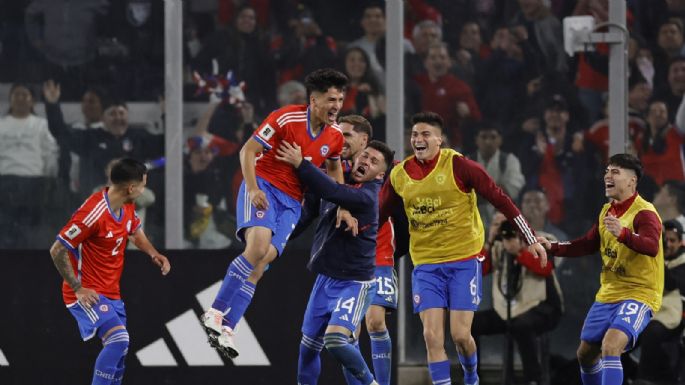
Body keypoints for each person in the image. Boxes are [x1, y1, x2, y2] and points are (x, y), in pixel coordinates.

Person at [378, 111, 546, 385]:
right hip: (426, 265)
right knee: (431, 336)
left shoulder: (459, 166)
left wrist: (531, 238)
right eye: (414, 135)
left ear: (439, 140)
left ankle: (471, 377)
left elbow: (501, 199)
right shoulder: (399, 175)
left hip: (463, 262)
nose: (418, 140)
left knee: (460, 336)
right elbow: (378, 216)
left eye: (425, 134)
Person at [201, 68, 348, 359]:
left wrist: (343, 202)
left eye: (341, 100)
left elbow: (334, 168)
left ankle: (227, 328)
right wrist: (254, 189)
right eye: (331, 99)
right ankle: (214, 313)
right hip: (265, 187)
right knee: (256, 248)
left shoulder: (336, 136)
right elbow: (247, 151)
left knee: (261, 263)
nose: (337, 106)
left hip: (293, 202)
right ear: (314, 100)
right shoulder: (286, 118)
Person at [538, 153, 664, 385]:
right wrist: (553, 247)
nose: (608, 175)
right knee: (585, 355)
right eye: (607, 171)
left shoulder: (645, 213)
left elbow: (651, 247)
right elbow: (587, 244)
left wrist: (624, 234)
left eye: (616, 172)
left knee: (611, 344)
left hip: (639, 294)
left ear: (632, 181)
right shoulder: (607, 211)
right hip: (608, 294)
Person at [277, 139, 393, 385]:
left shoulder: (367, 196)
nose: (366, 162)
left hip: (355, 282)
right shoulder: (346, 178)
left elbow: (332, 190)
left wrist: (300, 163)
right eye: (365, 156)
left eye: (374, 162)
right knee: (307, 349)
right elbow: (329, 182)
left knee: (335, 340)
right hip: (326, 279)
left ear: (380, 174)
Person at [48, 158, 170, 385]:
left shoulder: (126, 204)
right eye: (143, 185)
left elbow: (133, 230)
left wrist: (153, 253)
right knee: (118, 340)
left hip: (111, 293)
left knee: (120, 354)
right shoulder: (92, 213)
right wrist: (78, 288)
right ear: (131, 188)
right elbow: (57, 249)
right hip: (87, 293)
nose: (144, 190)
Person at [339, 114, 396, 385]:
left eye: (347, 135)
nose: (341, 140)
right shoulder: (335, 167)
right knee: (347, 331)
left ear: (363, 139)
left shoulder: (386, 167)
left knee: (375, 322)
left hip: (379, 253)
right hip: (346, 258)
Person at [474, 219, 563, 385]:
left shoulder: (542, 239)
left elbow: (545, 267)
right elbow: (480, 270)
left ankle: (533, 380)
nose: (507, 232)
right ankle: (472, 377)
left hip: (540, 307)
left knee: (522, 326)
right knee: (469, 324)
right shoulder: (498, 246)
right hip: (506, 309)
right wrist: (490, 241)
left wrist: (520, 252)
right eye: (499, 225)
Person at [634, 219, 684, 384]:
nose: (668, 244)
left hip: (672, 315)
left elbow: (670, 283)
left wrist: (658, 254)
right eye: (665, 240)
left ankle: (645, 379)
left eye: (672, 240)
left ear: (681, 242)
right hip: (646, 308)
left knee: (651, 332)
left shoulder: (682, 263)